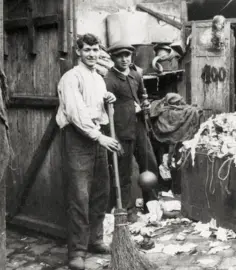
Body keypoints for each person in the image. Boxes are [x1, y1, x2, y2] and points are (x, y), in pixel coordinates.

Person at [56, 33, 121, 270]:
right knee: (79, 197)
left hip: (97, 137)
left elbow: (96, 109)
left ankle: (95, 240)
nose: (92, 54)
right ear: (78, 52)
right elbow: (76, 113)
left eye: (95, 50)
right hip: (78, 138)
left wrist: (107, 99)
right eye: (87, 50)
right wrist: (99, 136)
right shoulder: (70, 78)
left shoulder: (99, 78)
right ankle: (77, 251)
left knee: (99, 193)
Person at [104, 41, 159, 222]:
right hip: (121, 130)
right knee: (123, 170)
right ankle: (126, 211)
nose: (124, 59)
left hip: (139, 127)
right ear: (113, 58)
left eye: (127, 55)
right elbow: (106, 110)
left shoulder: (136, 74)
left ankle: (151, 202)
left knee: (149, 163)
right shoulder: (109, 80)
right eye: (119, 56)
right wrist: (114, 138)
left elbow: (142, 94)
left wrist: (145, 104)